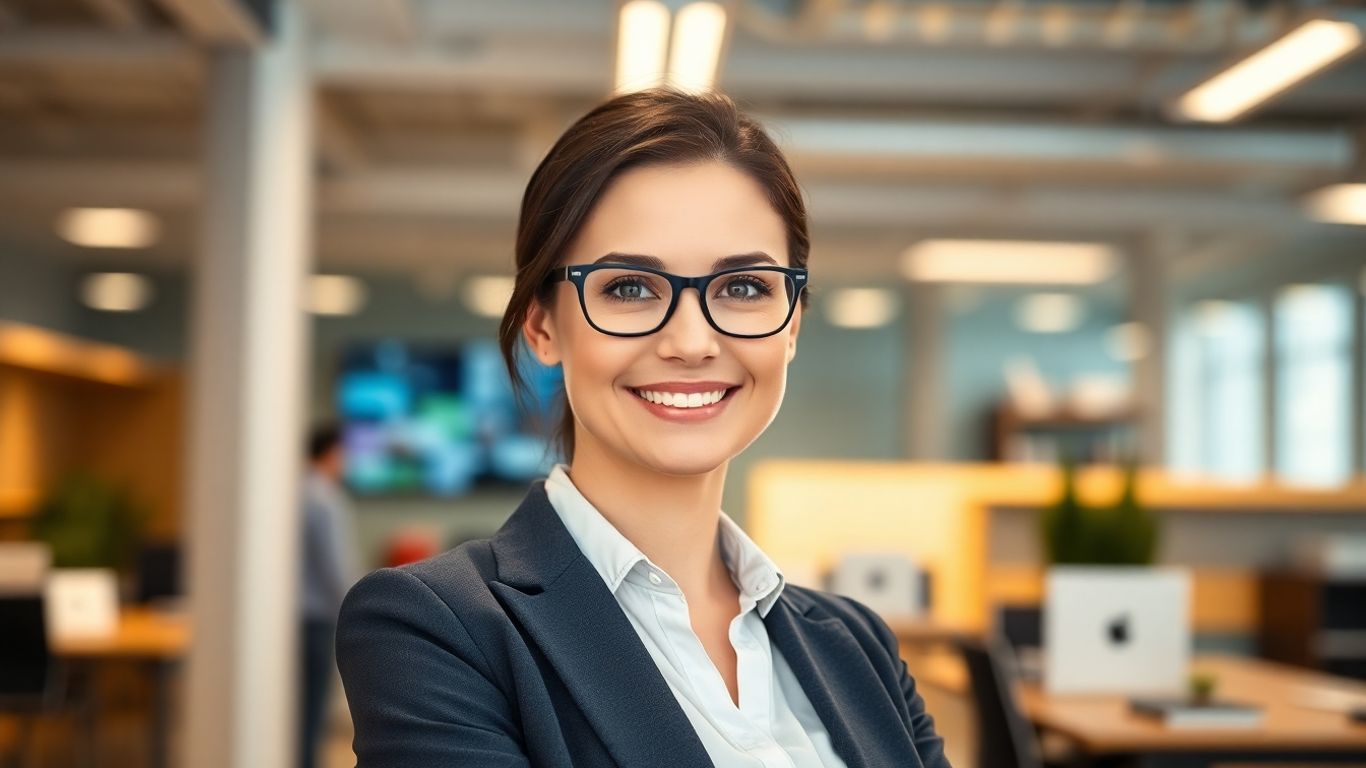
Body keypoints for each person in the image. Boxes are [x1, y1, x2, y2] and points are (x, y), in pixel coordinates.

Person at [336, 87, 950, 768]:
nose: (691, 341)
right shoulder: (438, 627)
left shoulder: (858, 645)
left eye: (744, 287)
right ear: (543, 325)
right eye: (629, 287)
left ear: (793, 322)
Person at [300, 423, 356, 768]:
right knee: (312, 708)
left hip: (296, 616)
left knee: (299, 708)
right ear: (332, 453)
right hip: (319, 618)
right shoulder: (325, 498)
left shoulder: (296, 491)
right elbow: (336, 567)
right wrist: (359, 608)